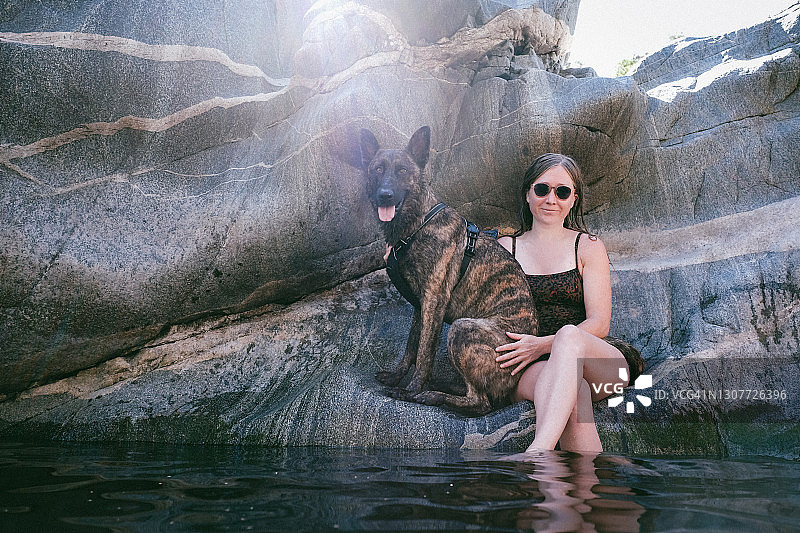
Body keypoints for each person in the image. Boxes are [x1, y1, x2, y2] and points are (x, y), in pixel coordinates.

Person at [495, 153, 643, 454]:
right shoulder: (505, 249)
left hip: (597, 362)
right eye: (542, 189)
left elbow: (599, 324)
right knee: (574, 393)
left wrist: (543, 343)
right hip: (531, 368)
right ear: (528, 193)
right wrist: (397, 259)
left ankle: (539, 451)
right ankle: (581, 496)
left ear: (573, 199)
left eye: (562, 191)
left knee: (569, 335)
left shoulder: (587, 246)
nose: (551, 199)